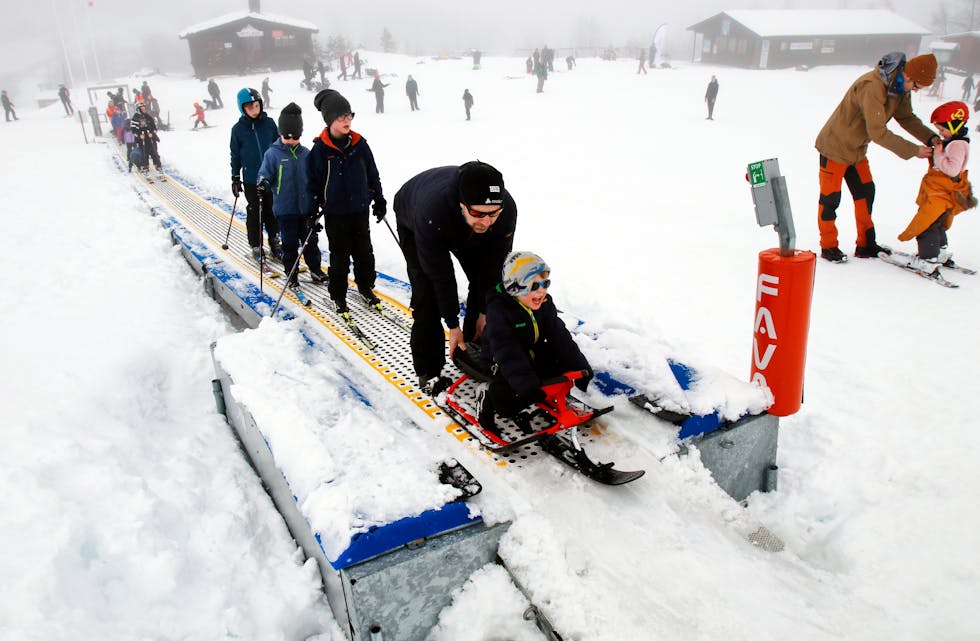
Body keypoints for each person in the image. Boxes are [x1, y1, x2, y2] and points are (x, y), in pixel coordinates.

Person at [392, 161, 518, 391]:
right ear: (462, 204)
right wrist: (452, 324)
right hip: (417, 216)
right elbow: (441, 275)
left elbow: (493, 267)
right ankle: (428, 370)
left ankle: (471, 350)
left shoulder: (506, 210)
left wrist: (483, 311)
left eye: (493, 214)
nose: (487, 221)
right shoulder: (432, 211)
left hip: (459, 225)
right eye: (479, 213)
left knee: (484, 284)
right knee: (427, 294)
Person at [814, 52, 938, 263]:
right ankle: (829, 246)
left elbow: (906, 117)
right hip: (835, 147)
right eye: (916, 87)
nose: (915, 91)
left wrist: (931, 138)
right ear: (908, 76)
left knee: (865, 193)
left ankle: (866, 244)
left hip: (856, 151)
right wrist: (914, 151)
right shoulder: (873, 86)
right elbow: (877, 132)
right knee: (830, 199)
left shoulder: (899, 88)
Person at [477, 251, 592, 430]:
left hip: (529, 352)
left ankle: (542, 391)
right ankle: (487, 396)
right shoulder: (499, 310)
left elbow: (559, 336)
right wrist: (526, 384)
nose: (541, 290)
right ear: (515, 287)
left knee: (561, 366)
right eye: (533, 285)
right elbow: (508, 351)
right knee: (509, 401)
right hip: (499, 361)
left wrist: (580, 366)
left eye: (545, 284)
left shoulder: (544, 302)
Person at [306, 89, 385, 313]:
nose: (347, 120)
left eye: (349, 115)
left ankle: (365, 287)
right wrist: (311, 212)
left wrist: (378, 199)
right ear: (330, 120)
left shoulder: (360, 145)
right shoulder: (320, 150)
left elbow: (372, 174)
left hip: (360, 209)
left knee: (364, 253)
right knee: (339, 257)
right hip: (336, 213)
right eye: (342, 117)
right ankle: (338, 295)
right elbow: (312, 183)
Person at [895, 101, 975, 273]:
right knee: (938, 221)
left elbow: (951, 169)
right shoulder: (954, 142)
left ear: (955, 125)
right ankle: (939, 252)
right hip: (941, 190)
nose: (940, 134)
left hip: (941, 192)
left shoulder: (957, 145)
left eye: (942, 130)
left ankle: (928, 259)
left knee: (927, 223)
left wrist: (938, 154)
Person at [256, 102, 328, 291]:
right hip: (285, 209)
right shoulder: (273, 154)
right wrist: (262, 183)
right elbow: (264, 174)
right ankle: (292, 275)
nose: (291, 140)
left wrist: (320, 196)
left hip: (306, 209)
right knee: (289, 245)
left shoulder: (306, 154)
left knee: (310, 242)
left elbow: (316, 177)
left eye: (295, 136)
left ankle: (315, 269)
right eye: (287, 136)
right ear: (281, 134)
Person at [230, 87, 282, 261]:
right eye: (250, 107)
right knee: (255, 211)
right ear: (243, 108)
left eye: (257, 106)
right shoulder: (238, 129)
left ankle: (275, 240)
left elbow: (278, 146)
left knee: (273, 210)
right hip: (252, 178)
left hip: (271, 176)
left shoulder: (269, 124)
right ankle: (256, 244)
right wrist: (235, 177)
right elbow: (235, 154)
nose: (254, 110)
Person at [130, 103, 162, 174]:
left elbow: (153, 127)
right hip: (142, 140)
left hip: (150, 139)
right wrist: (139, 135)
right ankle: (145, 168)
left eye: (144, 108)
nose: (144, 110)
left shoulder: (148, 116)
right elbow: (133, 130)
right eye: (142, 109)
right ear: (138, 109)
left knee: (155, 153)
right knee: (144, 154)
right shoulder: (135, 118)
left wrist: (152, 133)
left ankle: (158, 167)